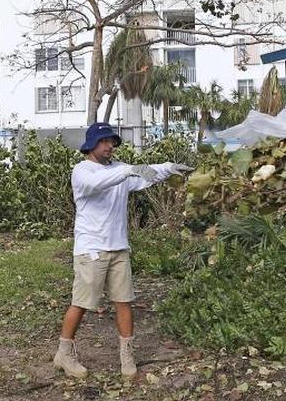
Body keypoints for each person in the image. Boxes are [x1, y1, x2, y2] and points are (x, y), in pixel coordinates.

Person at [53, 122, 192, 379]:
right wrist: (130, 170)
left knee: (124, 301)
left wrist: (169, 168)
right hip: (91, 249)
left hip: (119, 247)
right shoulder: (82, 172)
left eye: (112, 142)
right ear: (91, 144)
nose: (109, 147)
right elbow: (100, 183)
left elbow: (145, 174)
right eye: (104, 141)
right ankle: (64, 353)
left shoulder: (120, 170)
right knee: (82, 303)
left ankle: (127, 356)